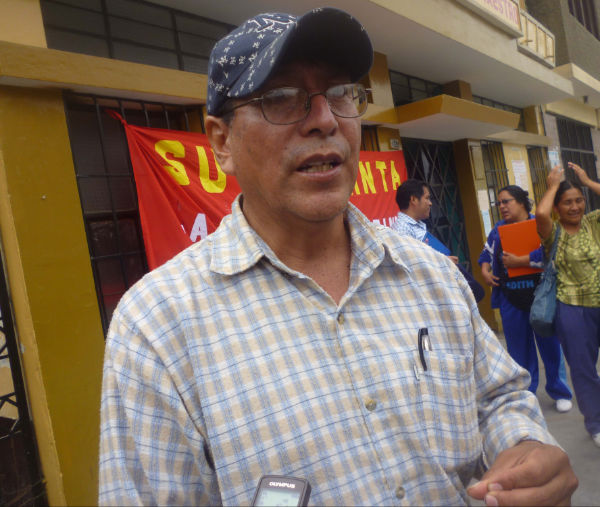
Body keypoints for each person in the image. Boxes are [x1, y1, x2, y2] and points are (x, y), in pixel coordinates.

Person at [98, 8, 577, 506]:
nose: (325, 120)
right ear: (222, 142)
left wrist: (523, 445)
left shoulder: (430, 274)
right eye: (281, 98)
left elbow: (498, 397)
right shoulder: (156, 328)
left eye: (341, 93)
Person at [478, 185, 572, 413]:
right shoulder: (498, 229)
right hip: (511, 298)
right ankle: (526, 394)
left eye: (506, 201)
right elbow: (487, 253)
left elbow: (551, 255)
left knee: (550, 346)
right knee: (518, 351)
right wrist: (485, 270)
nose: (502, 206)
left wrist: (521, 261)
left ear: (521, 202)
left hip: (541, 297)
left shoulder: (540, 225)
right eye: (499, 203)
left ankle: (560, 391)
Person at [535, 162, 600, 447]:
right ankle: (596, 423)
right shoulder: (553, 232)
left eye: (579, 200)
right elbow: (540, 213)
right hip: (572, 309)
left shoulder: (593, 223)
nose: (575, 207)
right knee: (584, 371)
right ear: (557, 208)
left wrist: (587, 181)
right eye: (567, 202)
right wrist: (552, 186)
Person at [392, 179, 485, 302]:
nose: (430, 203)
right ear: (413, 199)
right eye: (427, 198)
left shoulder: (416, 225)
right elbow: (411, 264)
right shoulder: (402, 230)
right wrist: (443, 261)